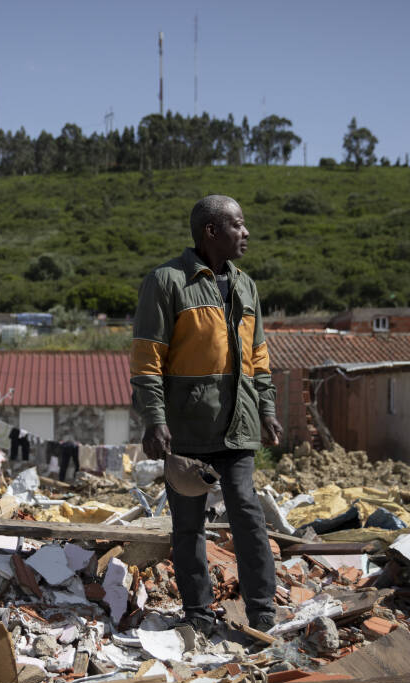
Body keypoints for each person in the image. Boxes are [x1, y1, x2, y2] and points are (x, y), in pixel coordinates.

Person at [130, 194, 283, 634]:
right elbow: (147, 359)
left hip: (238, 427)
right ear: (210, 232)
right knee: (189, 527)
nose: (246, 232)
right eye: (237, 225)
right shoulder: (166, 281)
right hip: (187, 433)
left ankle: (261, 613)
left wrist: (267, 409)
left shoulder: (246, 286)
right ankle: (197, 615)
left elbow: (259, 357)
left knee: (248, 515)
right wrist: (155, 419)